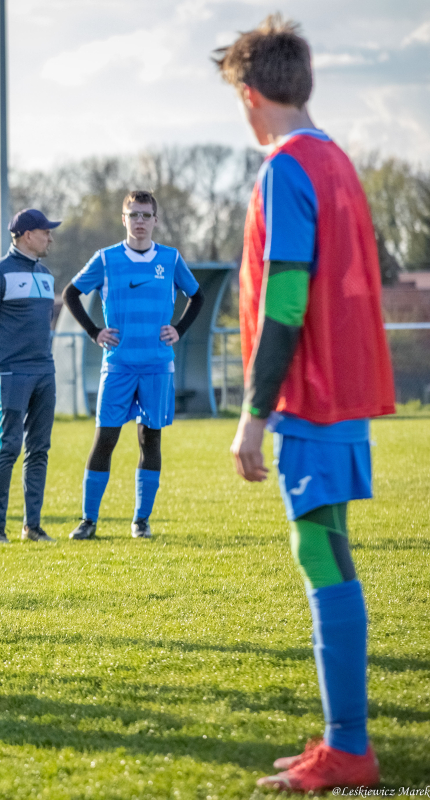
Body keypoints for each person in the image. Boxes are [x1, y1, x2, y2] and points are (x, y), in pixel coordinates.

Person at [218, 15, 393, 792]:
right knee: (329, 548)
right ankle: (343, 738)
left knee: (320, 553)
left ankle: (349, 747)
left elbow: (286, 303)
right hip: (341, 395)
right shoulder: (339, 161)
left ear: (249, 96)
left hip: (313, 399)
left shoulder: (286, 169)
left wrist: (253, 416)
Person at [62, 190, 204, 540]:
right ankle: (88, 520)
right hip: (118, 366)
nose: (140, 221)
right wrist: (94, 331)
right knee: (105, 439)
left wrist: (179, 329)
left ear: (155, 220)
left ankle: (141, 520)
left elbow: (197, 296)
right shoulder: (106, 259)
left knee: (150, 440)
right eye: (134, 215)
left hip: (157, 366)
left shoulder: (170, 259)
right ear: (123, 219)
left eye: (146, 215)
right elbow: (70, 293)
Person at [0, 208, 61, 545]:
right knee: (8, 446)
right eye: (45, 232)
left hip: (44, 371)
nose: (50, 238)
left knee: (39, 449)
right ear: (27, 235)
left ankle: (32, 527)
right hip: (9, 372)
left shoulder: (47, 275)